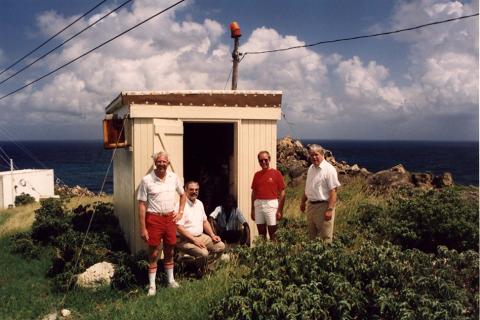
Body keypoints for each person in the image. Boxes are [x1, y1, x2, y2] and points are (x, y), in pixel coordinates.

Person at [137, 151, 186, 296]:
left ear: (168, 164)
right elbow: (141, 204)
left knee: (170, 250)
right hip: (154, 219)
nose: (162, 164)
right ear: (155, 163)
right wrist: (143, 228)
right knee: (154, 253)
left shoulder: (173, 177)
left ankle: (170, 281)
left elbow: (183, 195)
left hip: (170, 219)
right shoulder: (147, 180)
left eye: (164, 162)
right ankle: (152, 286)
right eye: (159, 161)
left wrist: (180, 212)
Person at [176, 181, 225, 274]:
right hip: (184, 239)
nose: (194, 192)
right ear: (185, 190)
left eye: (196, 190)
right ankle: (196, 269)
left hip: (200, 236)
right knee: (203, 253)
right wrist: (195, 240)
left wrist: (212, 235)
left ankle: (207, 268)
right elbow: (179, 228)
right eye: (191, 189)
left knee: (220, 246)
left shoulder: (199, 203)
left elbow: (205, 221)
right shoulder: (180, 205)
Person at [300, 144, 341, 243]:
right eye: (311, 155)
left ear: (322, 154)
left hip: (323, 207)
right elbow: (308, 188)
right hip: (311, 206)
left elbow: (333, 191)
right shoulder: (311, 169)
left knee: (325, 238)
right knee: (311, 238)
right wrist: (302, 202)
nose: (314, 157)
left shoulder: (329, 170)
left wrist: (330, 209)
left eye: (316, 154)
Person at [251, 150, 286, 240]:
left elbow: (282, 192)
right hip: (258, 205)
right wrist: (252, 209)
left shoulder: (276, 173)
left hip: (271, 205)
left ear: (269, 159)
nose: (263, 162)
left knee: (273, 234)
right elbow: (254, 193)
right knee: (261, 234)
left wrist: (280, 210)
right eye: (261, 160)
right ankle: (263, 253)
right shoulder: (257, 175)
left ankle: (274, 254)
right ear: (258, 161)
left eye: (265, 160)